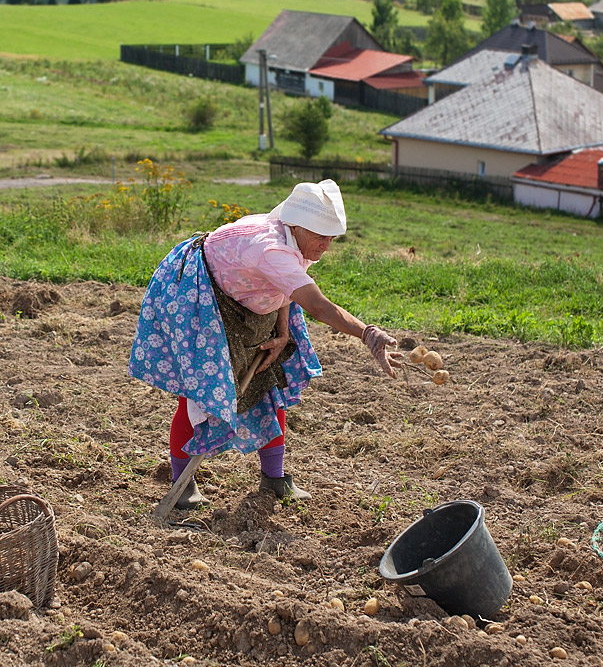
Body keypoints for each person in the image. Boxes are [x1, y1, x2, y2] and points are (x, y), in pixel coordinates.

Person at [128, 179, 400, 509]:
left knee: (271, 383)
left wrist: (282, 331)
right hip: (199, 296)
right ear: (297, 226)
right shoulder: (269, 247)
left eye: (331, 237)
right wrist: (367, 334)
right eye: (320, 236)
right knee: (200, 393)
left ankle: (274, 477)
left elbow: (286, 284)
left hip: (249, 302)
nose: (326, 246)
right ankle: (182, 485)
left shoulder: (297, 240)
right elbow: (318, 306)